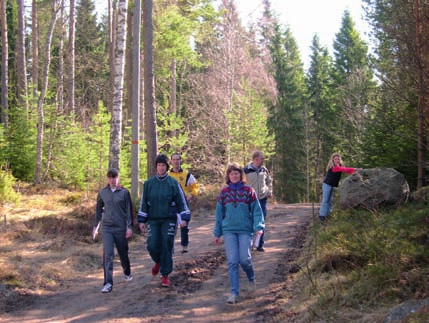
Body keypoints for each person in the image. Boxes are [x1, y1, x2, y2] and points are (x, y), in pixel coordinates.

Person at [213, 163, 265, 304]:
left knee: (244, 260)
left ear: (240, 175)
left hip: (245, 230)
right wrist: (217, 233)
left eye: (236, 173)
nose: (234, 176)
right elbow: (219, 214)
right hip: (229, 230)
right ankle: (234, 293)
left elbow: (257, 212)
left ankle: (251, 278)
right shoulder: (224, 193)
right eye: (231, 174)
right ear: (228, 177)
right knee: (232, 261)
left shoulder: (249, 191)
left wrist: (258, 227)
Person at [137, 154, 190, 287]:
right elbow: (144, 203)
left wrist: (184, 218)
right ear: (156, 167)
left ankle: (165, 275)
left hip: (169, 219)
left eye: (163, 165)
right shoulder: (149, 184)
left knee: (167, 243)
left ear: (167, 167)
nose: (161, 168)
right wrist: (142, 220)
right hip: (154, 219)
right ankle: (158, 261)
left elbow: (181, 202)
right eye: (159, 165)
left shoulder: (173, 183)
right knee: (152, 244)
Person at [93, 168, 134, 293]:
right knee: (108, 254)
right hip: (107, 228)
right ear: (107, 179)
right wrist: (96, 227)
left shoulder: (124, 193)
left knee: (123, 253)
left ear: (118, 178)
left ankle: (127, 271)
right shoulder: (103, 193)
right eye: (110, 177)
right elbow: (98, 211)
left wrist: (129, 227)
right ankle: (108, 283)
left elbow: (129, 211)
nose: (112, 180)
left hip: (121, 227)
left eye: (115, 177)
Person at [169, 153, 199, 254]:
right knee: (171, 225)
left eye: (177, 159)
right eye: (174, 159)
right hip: (171, 204)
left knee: (184, 225)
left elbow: (195, 188)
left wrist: (190, 196)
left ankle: (184, 245)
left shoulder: (187, 175)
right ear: (171, 161)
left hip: (183, 204)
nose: (176, 161)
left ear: (180, 161)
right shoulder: (168, 175)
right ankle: (170, 246)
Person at [319, 153, 362, 222]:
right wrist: (356, 169)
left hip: (331, 185)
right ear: (333, 159)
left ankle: (328, 214)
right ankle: (322, 216)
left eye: (338, 159)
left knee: (330, 200)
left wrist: (355, 172)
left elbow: (346, 170)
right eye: (335, 159)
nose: (337, 160)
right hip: (327, 184)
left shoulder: (339, 166)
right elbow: (344, 170)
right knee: (325, 200)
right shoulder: (334, 167)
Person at [244, 150, 273, 252]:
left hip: (262, 199)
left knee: (261, 222)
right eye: (262, 158)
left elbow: (269, 181)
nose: (263, 160)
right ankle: (250, 244)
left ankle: (260, 245)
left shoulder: (264, 170)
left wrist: (269, 191)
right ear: (256, 159)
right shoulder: (246, 170)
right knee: (250, 221)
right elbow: (242, 184)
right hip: (249, 200)